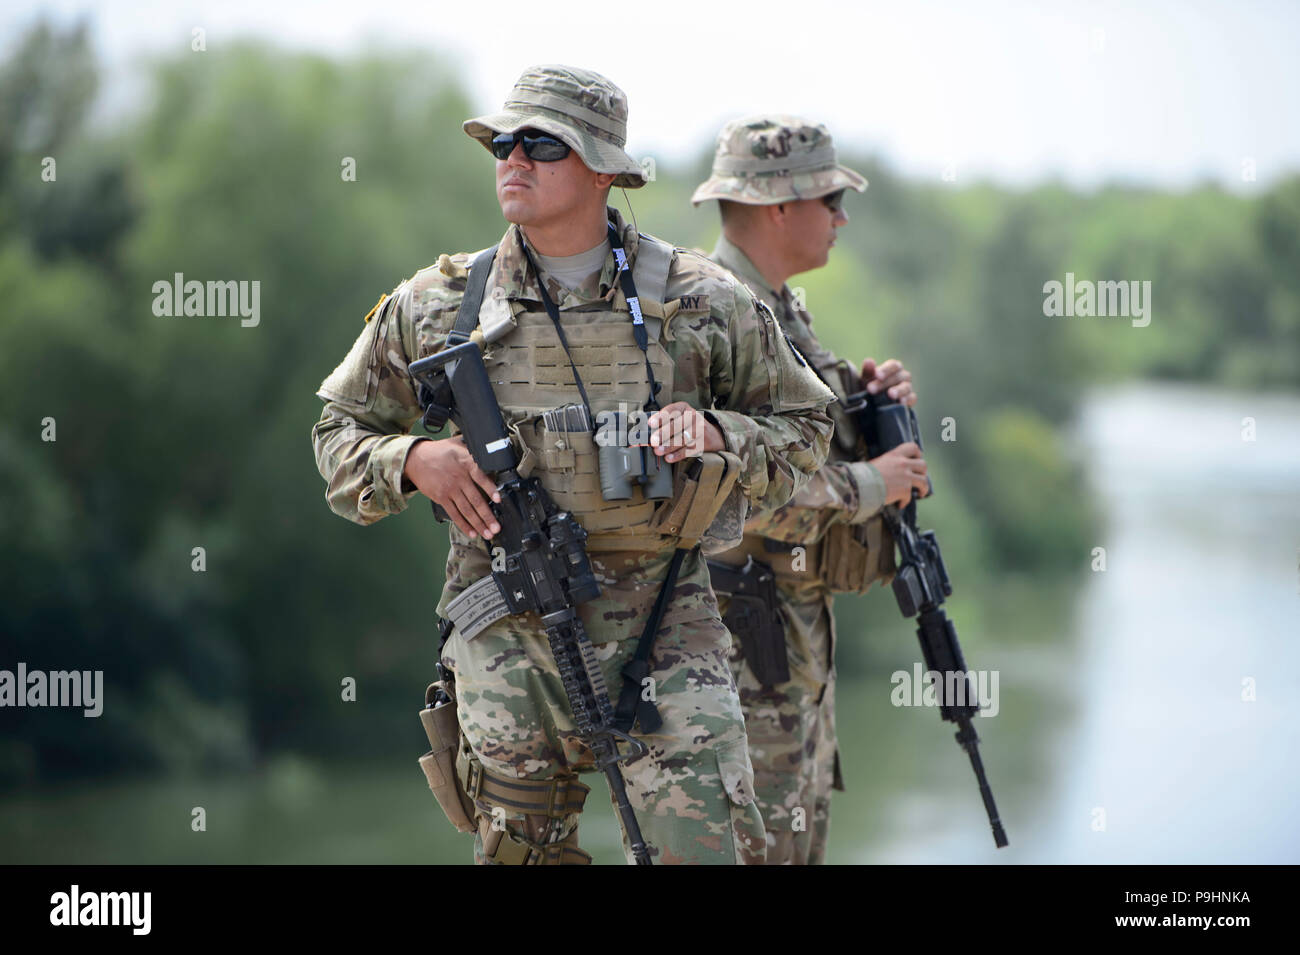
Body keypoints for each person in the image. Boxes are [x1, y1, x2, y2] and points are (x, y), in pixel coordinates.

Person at [311, 69, 837, 865]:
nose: (512, 160)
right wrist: (414, 458)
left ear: (601, 169)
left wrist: (717, 435)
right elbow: (337, 435)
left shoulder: (701, 300)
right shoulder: (440, 304)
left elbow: (809, 426)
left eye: (541, 144)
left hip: (667, 632)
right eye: (503, 142)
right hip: (507, 640)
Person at [692, 114, 930, 864]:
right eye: (828, 199)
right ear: (778, 205)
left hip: (786, 656)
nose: (841, 217)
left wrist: (865, 402)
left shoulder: (777, 305)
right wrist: (868, 483)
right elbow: (725, 493)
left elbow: (792, 439)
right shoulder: (716, 311)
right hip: (740, 661)